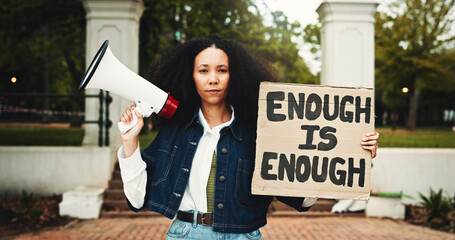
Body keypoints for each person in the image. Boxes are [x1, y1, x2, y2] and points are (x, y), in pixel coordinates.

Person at [117, 35, 379, 239]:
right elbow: (137, 199)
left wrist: (352, 153)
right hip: (186, 234)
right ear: (191, 76)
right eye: (203, 70)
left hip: (243, 236)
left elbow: (302, 199)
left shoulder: (258, 133)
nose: (213, 80)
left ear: (235, 75)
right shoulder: (175, 131)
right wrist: (130, 143)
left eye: (222, 70)